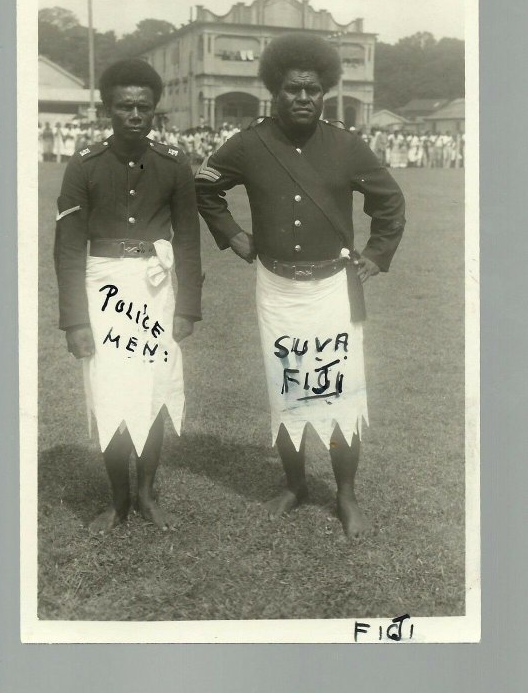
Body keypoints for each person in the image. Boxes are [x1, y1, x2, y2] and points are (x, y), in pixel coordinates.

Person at [195, 33, 405, 538]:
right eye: (293, 89)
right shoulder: (249, 142)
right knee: (285, 385)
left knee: (340, 392)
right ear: (274, 89)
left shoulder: (347, 144)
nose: (304, 98)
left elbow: (390, 202)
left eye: (313, 90)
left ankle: (346, 495)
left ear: (326, 91)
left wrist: (377, 255)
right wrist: (234, 236)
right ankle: (294, 486)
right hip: (277, 289)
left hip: (332, 288)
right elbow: (205, 185)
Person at [54, 58, 202, 534]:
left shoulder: (175, 163)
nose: (134, 115)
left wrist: (188, 307)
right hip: (103, 290)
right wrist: (76, 321)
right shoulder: (84, 164)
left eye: (143, 106)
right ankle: (117, 500)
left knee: (154, 389)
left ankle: (145, 493)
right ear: (107, 109)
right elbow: (68, 247)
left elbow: (188, 240)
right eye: (124, 106)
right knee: (110, 389)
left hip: (156, 289)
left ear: (155, 110)